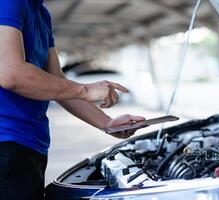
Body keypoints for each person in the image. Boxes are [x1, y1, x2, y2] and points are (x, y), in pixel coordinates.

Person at [0, 0, 145, 199]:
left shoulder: (41, 12)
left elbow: (57, 81)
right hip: (6, 143)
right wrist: (85, 90)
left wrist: (107, 123)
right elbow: (11, 74)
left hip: (30, 146)